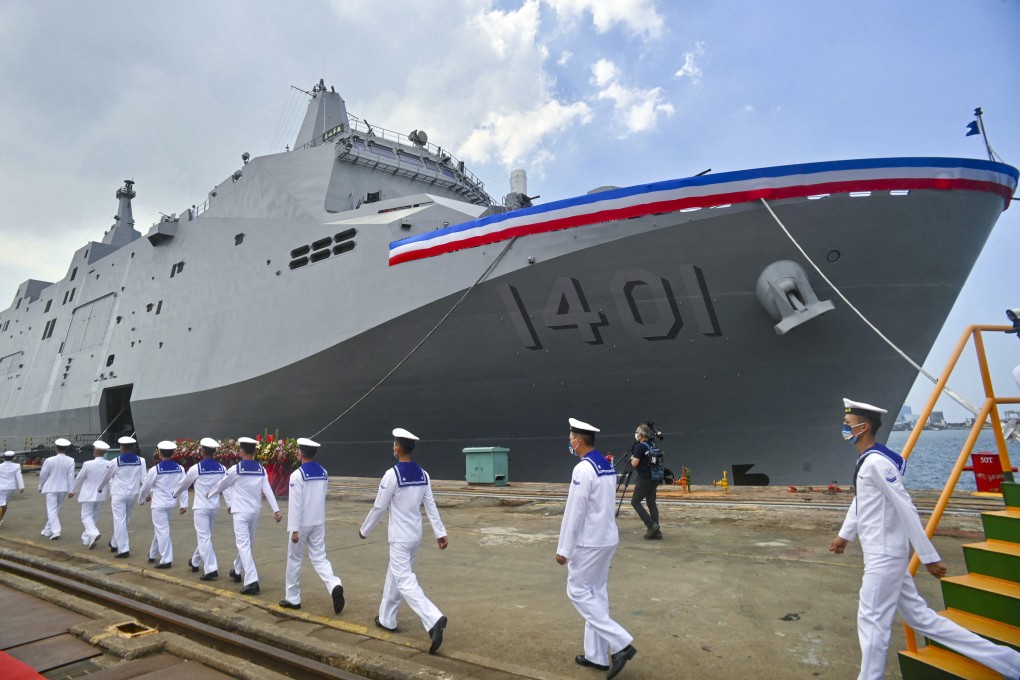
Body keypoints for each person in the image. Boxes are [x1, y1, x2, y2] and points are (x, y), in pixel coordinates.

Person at [830, 398, 1020, 680]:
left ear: (863, 426)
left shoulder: (878, 464)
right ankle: (1012, 663)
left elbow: (906, 507)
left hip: (885, 557)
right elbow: (862, 502)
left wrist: (929, 557)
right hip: (884, 556)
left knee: (871, 621)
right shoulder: (867, 461)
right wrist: (844, 535)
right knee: (923, 619)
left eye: (847, 425)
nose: (843, 429)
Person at [556, 418, 636, 680]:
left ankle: (621, 642)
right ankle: (597, 656)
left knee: (577, 591)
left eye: (571, 438)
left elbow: (575, 512)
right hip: (607, 537)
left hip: (589, 542)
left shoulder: (583, 469)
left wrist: (564, 548)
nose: (569, 442)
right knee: (597, 593)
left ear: (578, 440)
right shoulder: (606, 465)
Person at [359, 428, 448, 654]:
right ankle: (387, 619)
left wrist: (365, 530)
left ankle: (433, 618)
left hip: (399, 538)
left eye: (394, 443)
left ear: (398, 448)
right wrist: (440, 532)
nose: (393, 446)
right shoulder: (423, 474)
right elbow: (431, 506)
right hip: (415, 536)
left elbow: (380, 506)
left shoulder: (392, 475)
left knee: (405, 580)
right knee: (395, 575)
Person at [208, 436, 281, 595]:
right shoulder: (261, 469)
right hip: (255, 512)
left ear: (241, 451)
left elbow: (223, 484)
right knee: (248, 543)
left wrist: (210, 493)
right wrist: (276, 510)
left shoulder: (235, 469)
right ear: (254, 451)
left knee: (243, 545)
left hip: (240, 512)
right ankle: (237, 569)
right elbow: (268, 490)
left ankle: (252, 580)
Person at [280, 437, 345, 614]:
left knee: (294, 559)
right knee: (319, 558)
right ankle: (334, 585)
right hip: (318, 521)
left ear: (301, 453)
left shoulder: (297, 475)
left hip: (301, 523)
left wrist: (293, 529)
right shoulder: (324, 472)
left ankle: (293, 598)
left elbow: (295, 504)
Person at [174, 437, 227, 581]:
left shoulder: (196, 468)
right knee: (206, 536)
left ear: (202, 451)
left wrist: (175, 494)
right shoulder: (222, 468)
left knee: (203, 537)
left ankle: (211, 568)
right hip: (214, 507)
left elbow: (184, 484)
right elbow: (226, 487)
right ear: (214, 452)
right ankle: (195, 561)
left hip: (201, 507)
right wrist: (230, 504)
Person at [139, 441, 187, 568]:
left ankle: (166, 559)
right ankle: (152, 554)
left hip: (158, 504)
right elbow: (183, 486)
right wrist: (184, 504)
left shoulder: (155, 470)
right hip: (171, 503)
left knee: (162, 530)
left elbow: (145, 487)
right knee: (161, 529)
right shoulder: (180, 468)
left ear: (160, 453)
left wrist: (142, 499)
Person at [97, 436, 147, 558]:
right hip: (133, 494)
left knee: (119, 521)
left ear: (122, 448)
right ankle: (114, 543)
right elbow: (144, 479)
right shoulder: (141, 461)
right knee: (125, 519)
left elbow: (106, 477)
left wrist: (100, 487)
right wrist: (146, 494)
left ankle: (123, 549)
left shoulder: (115, 461)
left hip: (119, 494)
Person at [70, 440, 111, 548]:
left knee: (86, 516)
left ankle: (93, 533)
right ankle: (87, 539)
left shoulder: (87, 464)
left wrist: (72, 490)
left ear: (95, 451)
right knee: (95, 516)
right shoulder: (109, 464)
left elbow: (80, 478)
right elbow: (111, 479)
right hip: (101, 494)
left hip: (88, 494)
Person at [629, 422, 663, 540]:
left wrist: (632, 457)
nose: (636, 434)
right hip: (654, 477)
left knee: (635, 501)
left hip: (644, 478)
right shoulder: (652, 444)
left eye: (637, 432)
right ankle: (657, 531)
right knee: (651, 502)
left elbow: (635, 463)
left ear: (642, 435)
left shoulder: (640, 446)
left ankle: (651, 525)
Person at [39, 437, 76, 540]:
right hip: (63, 488)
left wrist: (41, 486)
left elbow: (43, 475)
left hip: (51, 488)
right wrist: (71, 490)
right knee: (56, 510)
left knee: (51, 510)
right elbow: (71, 476)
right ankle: (47, 530)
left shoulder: (49, 460)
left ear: (56, 448)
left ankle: (55, 531)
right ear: (66, 449)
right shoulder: (70, 460)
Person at [0, 450, 25, 527]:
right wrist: (21, 487)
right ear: (13, 458)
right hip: (10, 487)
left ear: (3, 457)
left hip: (0, 487)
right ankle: (1, 519)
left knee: (1, 504)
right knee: (5, 503)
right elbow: (19, 476)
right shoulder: (16, 466)